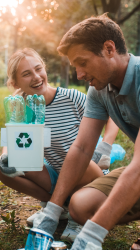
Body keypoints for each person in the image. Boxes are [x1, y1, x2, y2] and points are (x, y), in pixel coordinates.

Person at [32, 13, 140, 250]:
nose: (79, 74)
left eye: (83, 62)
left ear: (109, 48)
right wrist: (52, 210)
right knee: (80, 206)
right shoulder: (99, 90)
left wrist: (92, 234)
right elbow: (81, 149)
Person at [0, 48, 119, 241]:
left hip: (88, 175)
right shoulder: (21, 107)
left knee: (76, 158)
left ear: (44, 69)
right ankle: (57, 207)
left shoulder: (71, 98)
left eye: (38, 69)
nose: (36, 77)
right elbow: (13, 138)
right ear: (15, 83)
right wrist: (6, 156)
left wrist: (105, 146)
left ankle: (76, 215)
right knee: (1, 167)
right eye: (26, 74)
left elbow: (110, 116)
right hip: (56, 176)